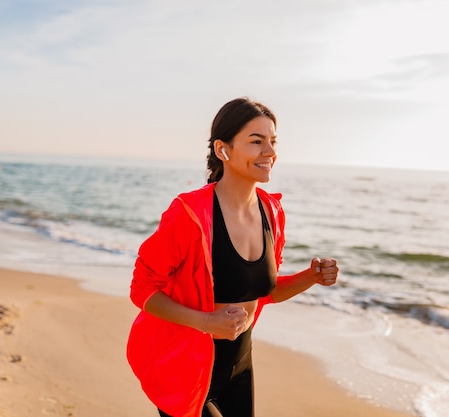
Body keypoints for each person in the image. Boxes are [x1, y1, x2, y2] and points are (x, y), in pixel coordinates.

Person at [127, 97, 339, 417]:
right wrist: (206, 322)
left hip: (240, 368)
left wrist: (310, 276)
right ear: (223, 150)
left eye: (272, 141)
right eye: (256, 141)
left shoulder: (272, 211)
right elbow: (142, 289)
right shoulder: (190, 214)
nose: (269, 152)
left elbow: (265, 292)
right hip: (186, 371)